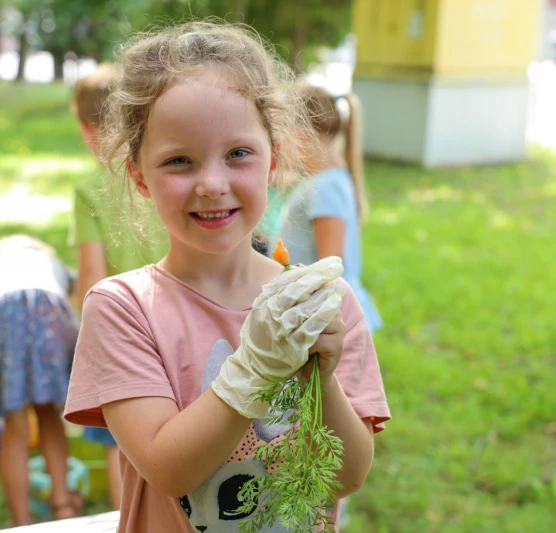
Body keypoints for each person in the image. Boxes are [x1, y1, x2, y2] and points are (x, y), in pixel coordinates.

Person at [64, 21, 391, 532]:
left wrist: (320, 379)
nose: (213, 184)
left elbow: (347, 476)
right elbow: (170, 469)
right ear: (139, 176)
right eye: (179, 161)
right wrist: (257, 366)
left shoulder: (324, 303)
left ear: (273, 159)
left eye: (238, 153)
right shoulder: (122, 307)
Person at [69, 62, 169, 510]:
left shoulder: (88, 186)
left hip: (123, 331)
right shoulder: (163, 171)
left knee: (119, 444)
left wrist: (79, 335)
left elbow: (90, 274)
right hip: (177, 318)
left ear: (86, 128)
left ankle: (126, 517)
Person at [0, 235, 81, 526]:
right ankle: (62, 502)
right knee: (49, 414)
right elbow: (73, 310)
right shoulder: (54, 265)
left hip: (2, 318)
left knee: (13, 428)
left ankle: (22, 521)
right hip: (50, 314)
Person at [272, 83, 382, 333]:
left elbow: (329, 271)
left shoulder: (324, 188)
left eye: (280, 134)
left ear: (299, 133)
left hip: (324, 320)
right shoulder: (327, 180)